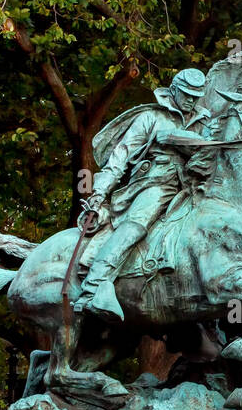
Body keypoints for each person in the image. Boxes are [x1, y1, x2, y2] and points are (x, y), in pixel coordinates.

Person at [77, 68, 212, 321]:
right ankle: (94, 286)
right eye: (187, 94)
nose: (192, 100)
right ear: (173, 90)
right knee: (136, 225)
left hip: (195, 187)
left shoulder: (205, 122)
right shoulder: (151, 117)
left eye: (197, 96)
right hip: (155, 183)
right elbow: (121, 156)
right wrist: (98, 192)